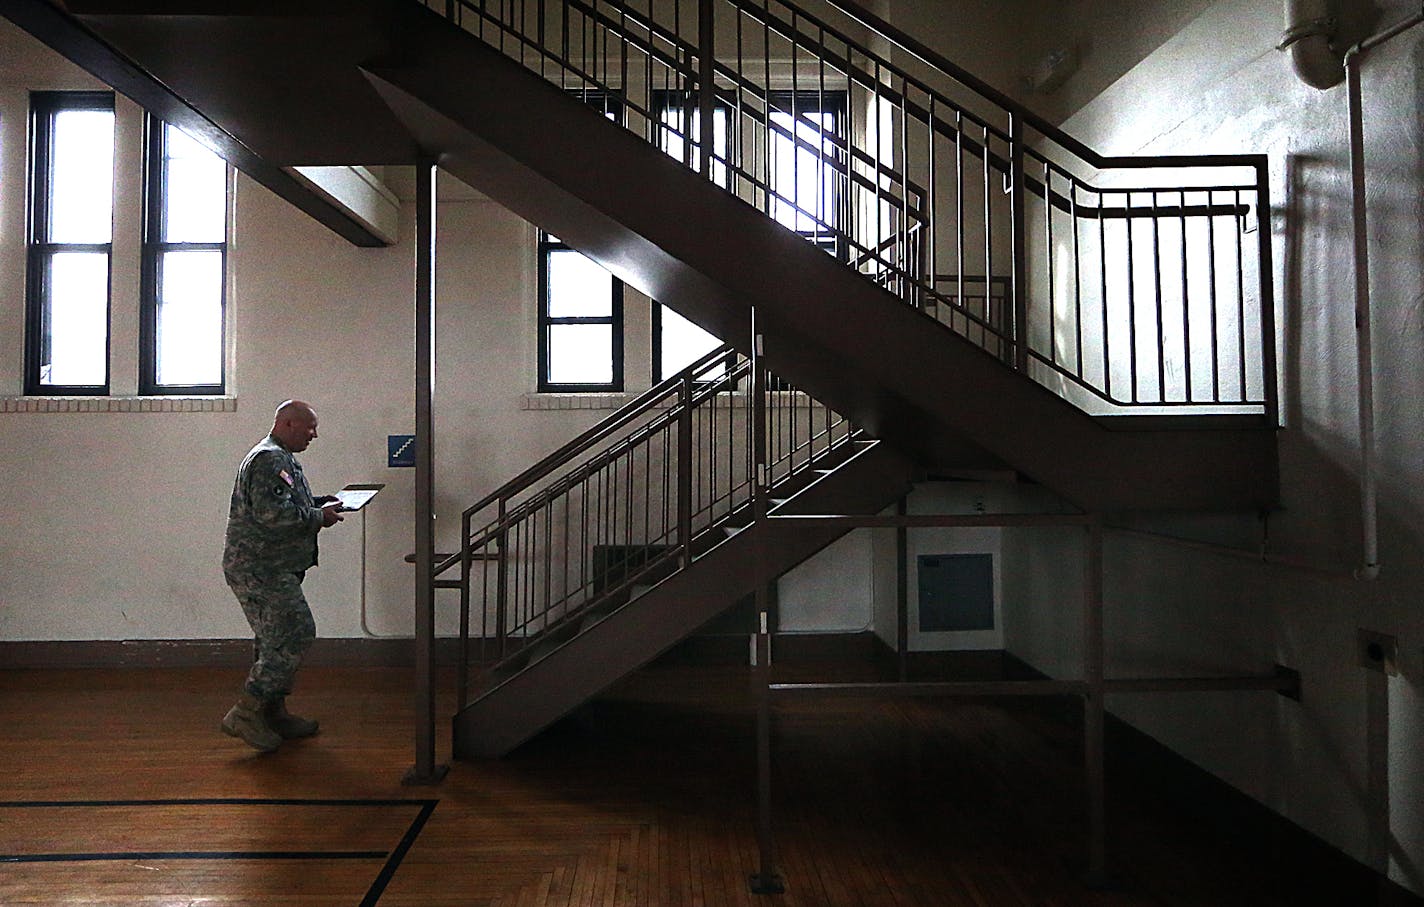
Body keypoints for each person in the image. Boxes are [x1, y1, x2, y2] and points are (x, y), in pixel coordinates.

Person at [220, 399, 344, 752]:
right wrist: (320, 517)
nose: (314, 435)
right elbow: (274, 516)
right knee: (295, 632)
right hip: (261, 567)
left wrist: (320, 504)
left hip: (271, 565)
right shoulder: (269, 459)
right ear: (288, 424)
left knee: (273, 640)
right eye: (310, 428)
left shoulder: (279, 457)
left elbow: (285, 504)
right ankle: (246, 712)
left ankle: (273, 713)